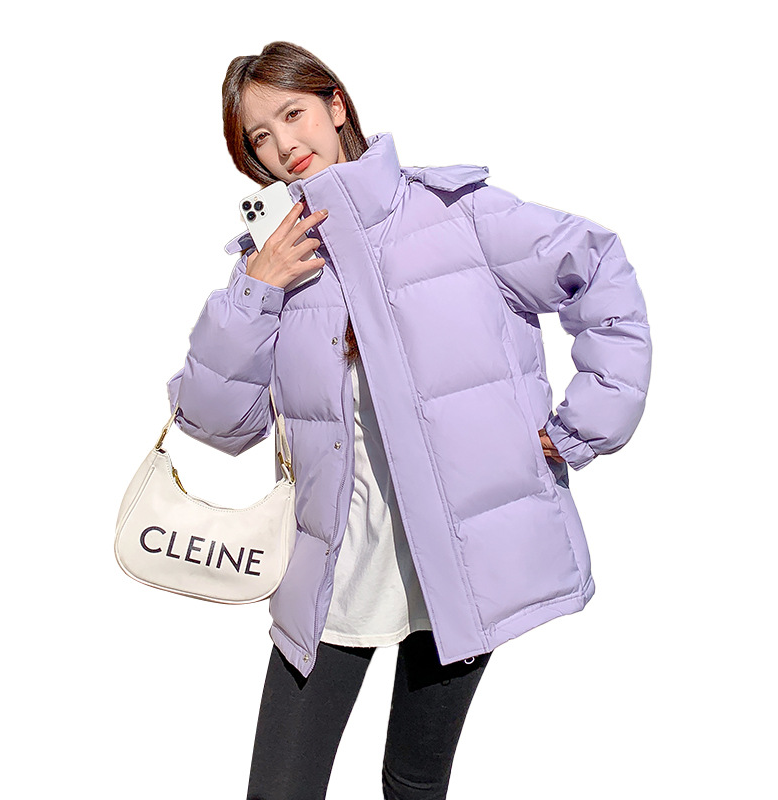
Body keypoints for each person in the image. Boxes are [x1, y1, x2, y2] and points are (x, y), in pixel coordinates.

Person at [166, 40, 652, 800]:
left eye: (292, 114)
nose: (284, 145)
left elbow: (596, 267)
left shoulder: (457, 216)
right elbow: (216, 422)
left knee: (414, 784)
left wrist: (584, 425)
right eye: (259, 136)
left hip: (460, 563)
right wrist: (256, 290)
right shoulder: (269, 267)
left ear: (335, 104)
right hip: (334, 570)